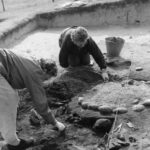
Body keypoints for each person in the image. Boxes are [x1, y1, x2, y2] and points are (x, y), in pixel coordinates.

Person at [0, 49, 65, 150]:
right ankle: (13, 143)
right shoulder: (35, 72)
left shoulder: (33, 61)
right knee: (9, 99)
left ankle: (5, 129)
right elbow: (40, 101)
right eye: (46, 78)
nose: (44, 81)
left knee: (8, 97)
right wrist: (54, 122)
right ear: (45, 71)